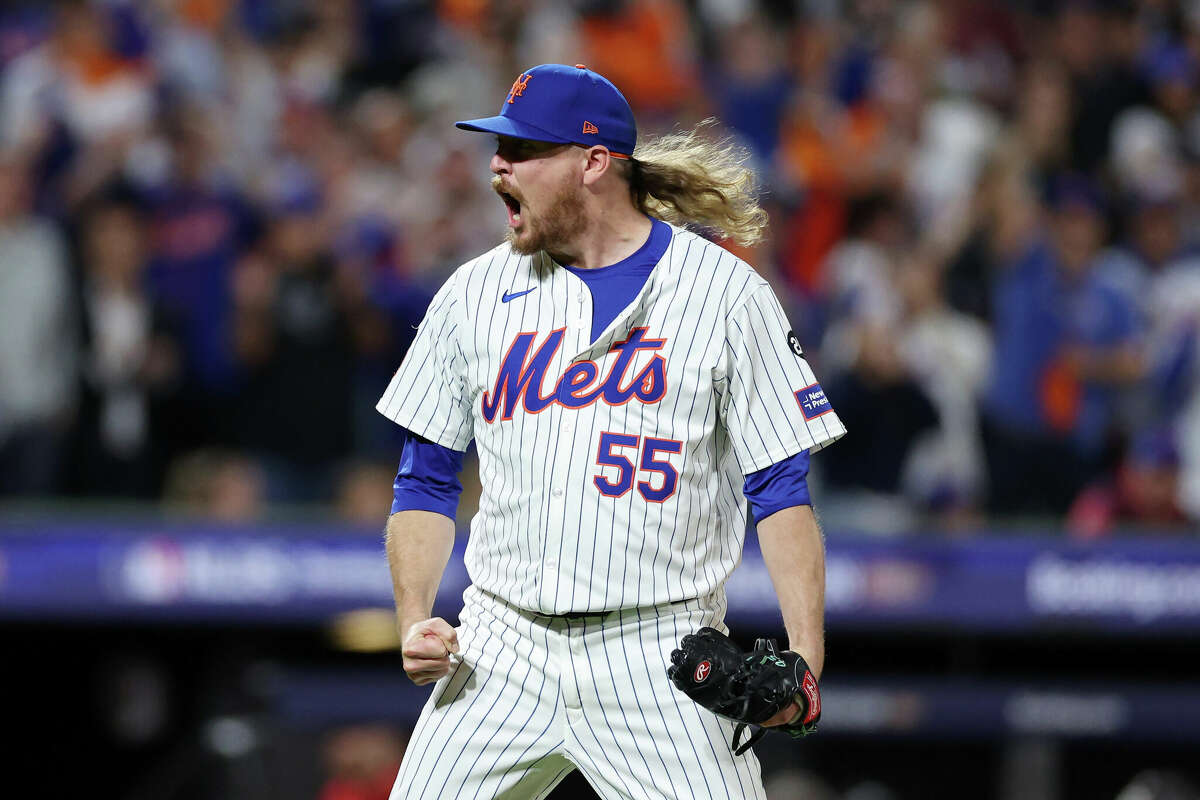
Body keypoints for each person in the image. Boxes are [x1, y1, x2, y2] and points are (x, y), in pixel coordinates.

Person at [376, 63, 845, 799]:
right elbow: (425, 479)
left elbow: (781, 490)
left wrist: (804, 661)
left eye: (525, 151)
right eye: (502, 148)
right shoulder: (471, 295)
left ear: (594, 163)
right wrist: (414, 618)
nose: (499, 163)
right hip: (501, 645)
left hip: (659, 652)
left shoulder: (724, 295)